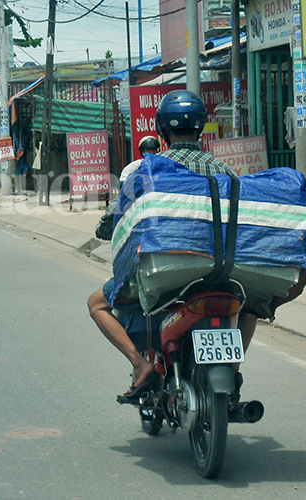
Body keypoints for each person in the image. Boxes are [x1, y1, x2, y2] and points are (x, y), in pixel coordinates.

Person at [88, 89, 258, 397]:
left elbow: (112, 219)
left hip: (166, 272)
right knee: (252, 305)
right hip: (221, 269)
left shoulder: (145, 170)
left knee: (96, 303)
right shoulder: (226, 172)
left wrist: (106, 226)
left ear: (162, 130)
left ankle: (140, 364)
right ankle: (233, 370)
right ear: (201, 127)